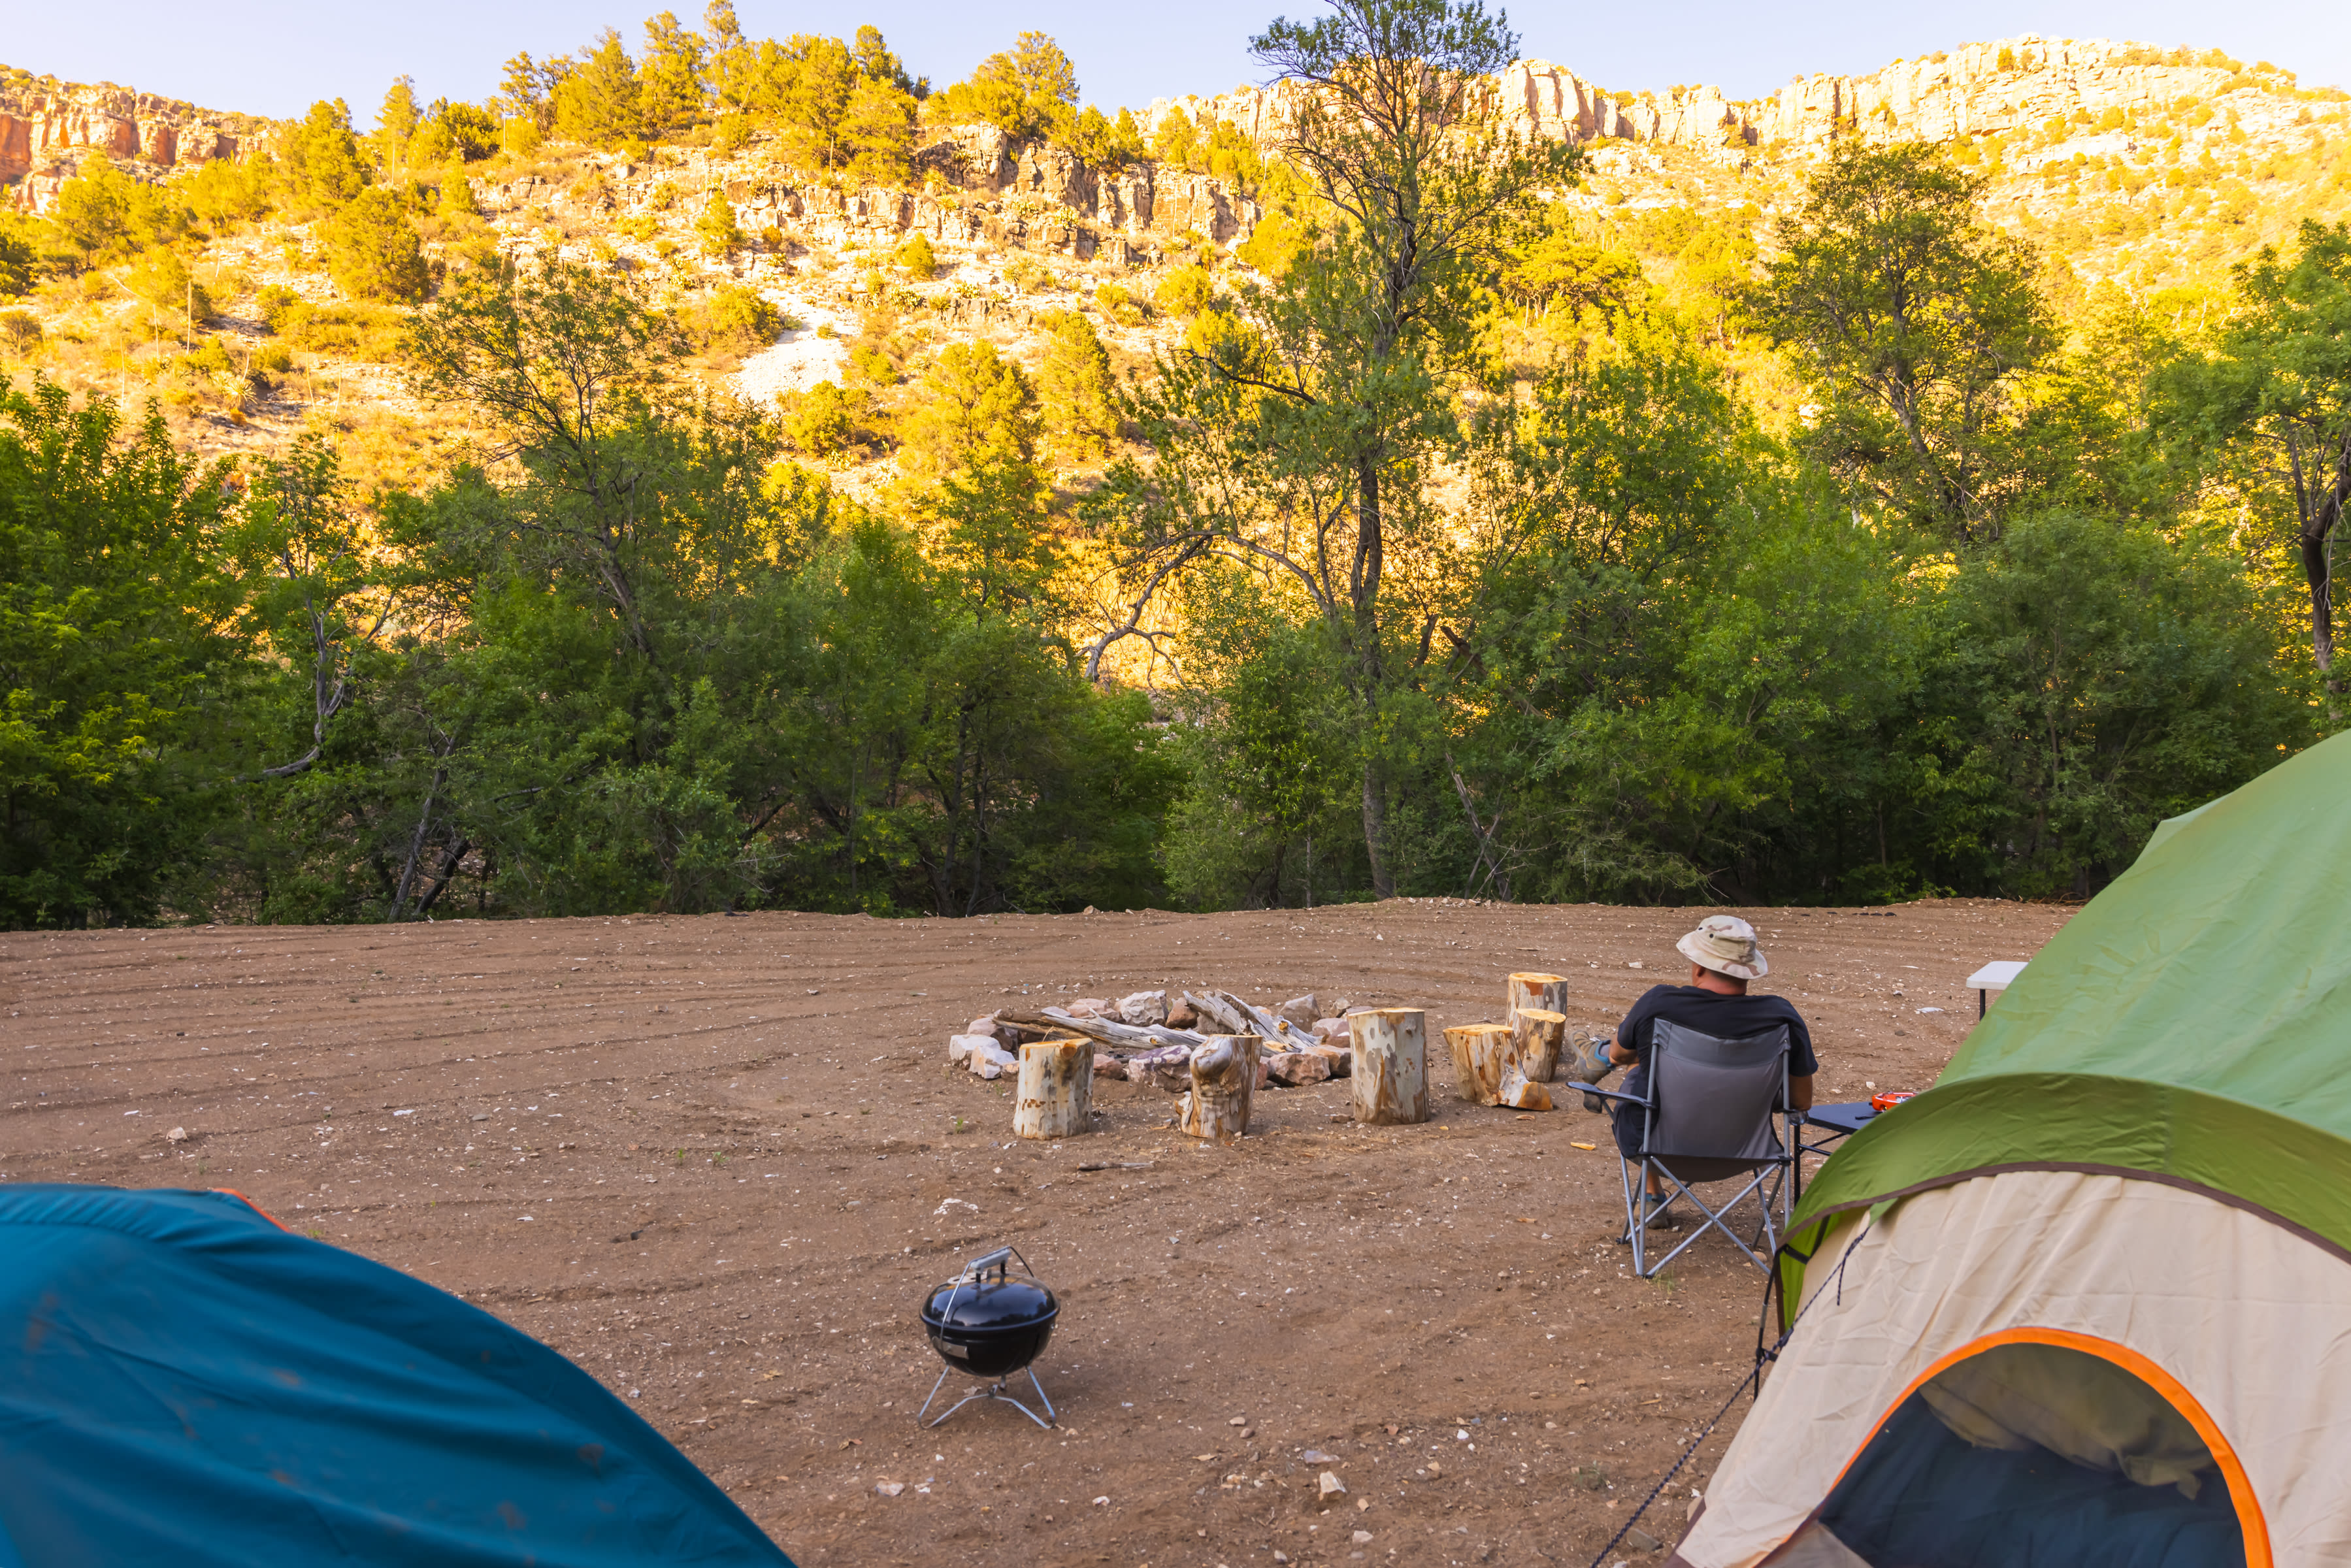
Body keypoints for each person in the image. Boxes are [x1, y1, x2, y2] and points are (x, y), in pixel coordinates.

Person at [1603, 915, 1816, 1232]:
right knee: (1650, 1071)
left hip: (1656, 1149)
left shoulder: (1659, 1004)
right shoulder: (1782, 1017)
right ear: (1748, 972)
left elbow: (1618, 1054)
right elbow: (1800, 1100)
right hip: (1748, 1153)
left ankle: (1652, 1197)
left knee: (1640, 1068)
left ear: (1698, 966)